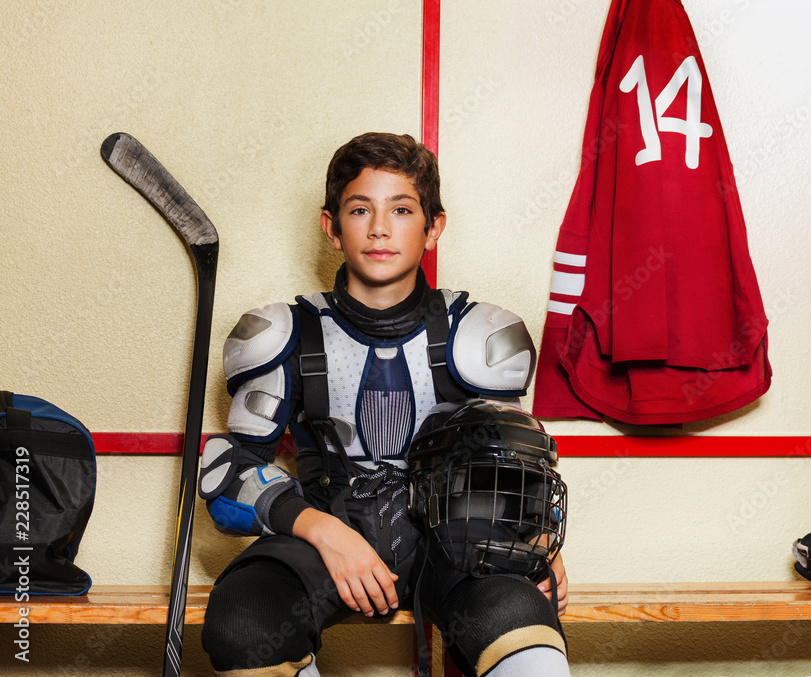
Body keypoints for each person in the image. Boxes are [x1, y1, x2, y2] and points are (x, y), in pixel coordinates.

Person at [198, 132, 570, 677]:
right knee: (243, 620)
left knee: (517, 612)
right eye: (359, 209)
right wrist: (325, 533)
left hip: (456, 547)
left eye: (401, 209)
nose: (379, 228)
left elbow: (512, 465)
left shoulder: (480, 335)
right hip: (328, 542)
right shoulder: (286, 334)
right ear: (330, 227)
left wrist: (540, 548)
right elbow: (226, 471)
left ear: (433, 227)